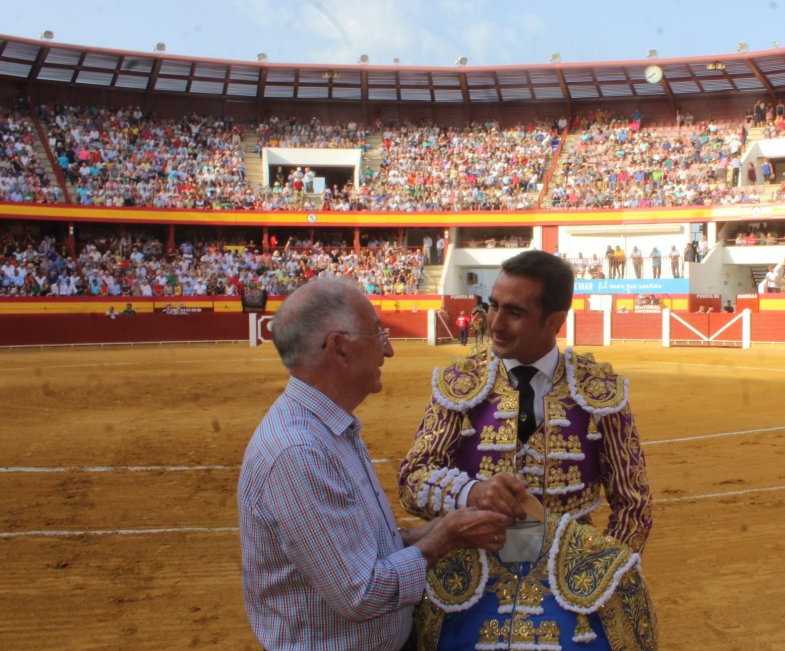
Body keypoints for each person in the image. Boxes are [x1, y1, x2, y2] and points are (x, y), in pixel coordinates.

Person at [238, 278, 512, 650]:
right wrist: (445, 538)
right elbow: (362, 593)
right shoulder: (299, 452)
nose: (389, 350)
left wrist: (438, 528)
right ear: (340, 348)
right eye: (378, 333)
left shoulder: (327, 429)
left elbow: (358, 548)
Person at [397, 250, 652, 553]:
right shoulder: (459, 381)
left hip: (569, 574)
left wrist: (600, 573)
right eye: (493, 306)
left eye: (514, 313)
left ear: (554, 321)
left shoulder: (599, 391)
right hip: (468, 577)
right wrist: (471, 492)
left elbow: (633, 504)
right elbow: (412, 479)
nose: (496, 324)